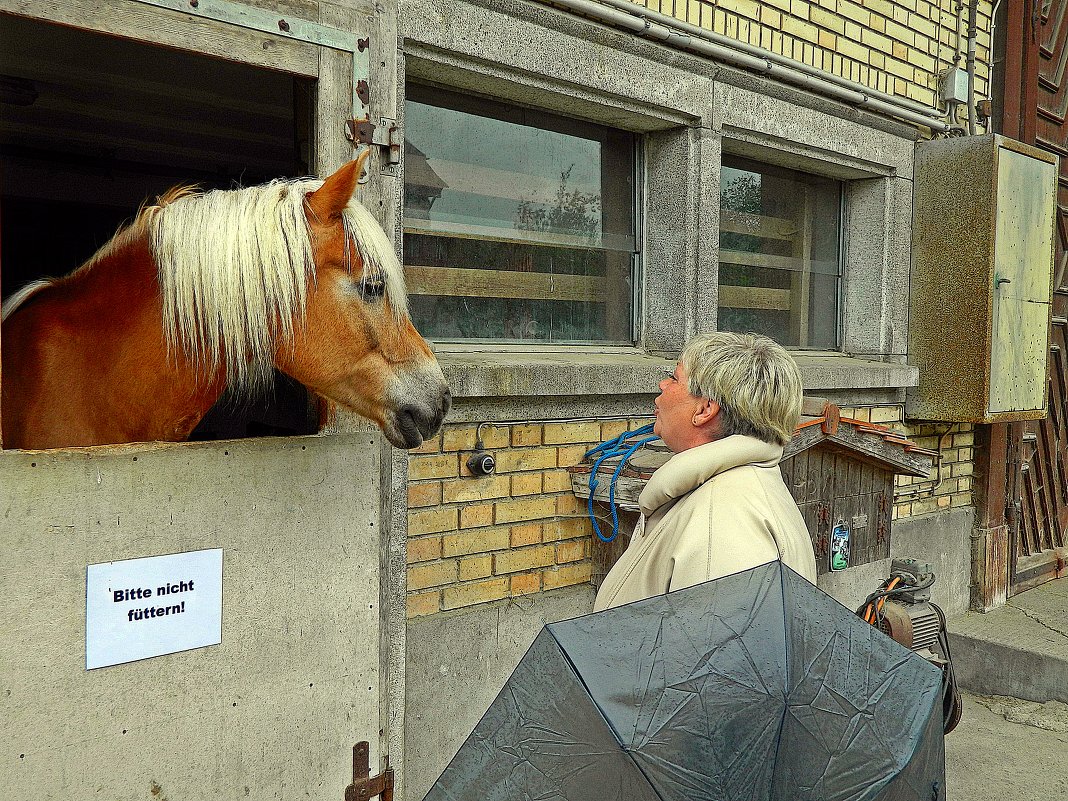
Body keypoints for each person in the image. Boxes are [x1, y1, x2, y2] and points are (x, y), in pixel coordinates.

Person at [593, 332, 817, 611]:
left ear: (705, 409)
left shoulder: (722, 520)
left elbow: (714, 650)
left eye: (674, 378)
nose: (663, 385)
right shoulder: (728, 490)